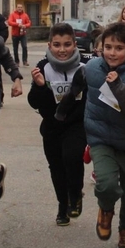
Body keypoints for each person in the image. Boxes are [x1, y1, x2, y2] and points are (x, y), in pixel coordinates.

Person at [56, 21, 125, 248]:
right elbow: (75, 88)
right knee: (106, 184)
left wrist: (118, 86)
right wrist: (61, 112)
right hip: (100, 138)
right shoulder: (91, 68)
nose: (112, 53)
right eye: (108, 47)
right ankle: (106, 209)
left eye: (119, 48)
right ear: (100, 47)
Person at [27, 22, 88, 227]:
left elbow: (90, 99)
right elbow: (35, 103)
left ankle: (75, 194)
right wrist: (40, 87)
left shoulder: (85, 67)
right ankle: (63, 205)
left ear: (75, 44)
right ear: (49, 45)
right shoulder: (43, 67)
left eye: (67, 44)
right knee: (56, 167)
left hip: (76, 125)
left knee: (72, 157)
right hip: (52, 126)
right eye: (57, 45)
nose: (62, 50)